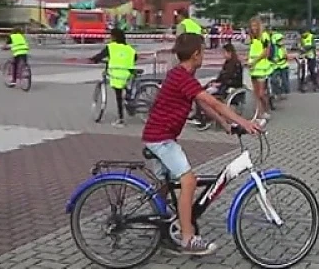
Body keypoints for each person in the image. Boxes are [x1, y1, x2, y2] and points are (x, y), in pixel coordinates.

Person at [142, 33, 262, 255]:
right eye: (204, 52)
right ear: (196, 54)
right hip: (161, 139)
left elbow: (202, 103)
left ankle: (165, 232)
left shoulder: (182, 74)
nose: (205, 56)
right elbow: (212, 101)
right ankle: (188, 238)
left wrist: (225, 124)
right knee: (189, 181)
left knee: (165, 185)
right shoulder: (182, 77)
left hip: (158, 135)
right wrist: (244, 122)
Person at [89, 28, 138, 127]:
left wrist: (93, 60)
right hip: (128, 74)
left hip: (116, 74)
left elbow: (100, 56)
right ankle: (130, 102)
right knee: (127, 90)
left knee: (118, 96)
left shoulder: (111, 47)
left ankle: (121, 119)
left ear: (114, 37)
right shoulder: (129, 48)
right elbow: (135, 57)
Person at [247, 16, 271, 123]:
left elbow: (266, 51)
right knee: (256, 93)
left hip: (261, 67)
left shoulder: (264, 36)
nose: (254, 28)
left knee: (261, 93)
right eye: (252, 26)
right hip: (253, 68)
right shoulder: (252, 38)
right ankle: (259, 112)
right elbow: (252, 51)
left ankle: (266, 109)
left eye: (255, 25)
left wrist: (255, 61)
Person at [299, 28, 319, 92]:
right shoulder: (301, 38)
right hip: (304, 55)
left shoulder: (311, 36)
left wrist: (305, 47)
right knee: (304, 71)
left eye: (303, 33)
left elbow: (313, 45)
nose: (303, 35)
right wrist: (300, 48)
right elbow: (299, 45)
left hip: (311, 55)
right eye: (302, 34)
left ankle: (315, 84)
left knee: (312, 70)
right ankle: (302, 85)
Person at [271, 33, 291, 99]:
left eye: (282, 40)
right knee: (274, 81)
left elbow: (286, 56)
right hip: (275, 66)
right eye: (279, 40)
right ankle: (276, 92)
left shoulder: (283, 47)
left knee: (285, 81)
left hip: (283, 66)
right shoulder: (273, 49)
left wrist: (286, 57)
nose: (281, 41)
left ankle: (283, 92)